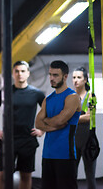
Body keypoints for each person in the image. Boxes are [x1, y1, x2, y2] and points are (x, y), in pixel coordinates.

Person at [0, 61, 45, 189]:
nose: (20, 74)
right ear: (13, 74)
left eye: (22, 71)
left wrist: (42, 130)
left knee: (25, 176)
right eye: (17, 71)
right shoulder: (5, 92)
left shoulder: (37, 93)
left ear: (28, 73)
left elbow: (49, 112)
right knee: (4, 175)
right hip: (8, 140)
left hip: (27, 140)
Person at [35, 60, 81, 189]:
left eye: (55, 75)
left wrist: (47, 121)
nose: (51, 78)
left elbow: (60, 121)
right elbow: (37, 123)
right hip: (48, 154)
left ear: (65, 77)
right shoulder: (48, 99)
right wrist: (52, 125)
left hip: (65, 155)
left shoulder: (72, 97)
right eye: (50, 74)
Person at [72, 67, 97, 189]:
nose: (76, 80)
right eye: (74, 77)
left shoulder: (91, 95)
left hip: (88, 141)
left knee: (90, 176)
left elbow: (89, 117)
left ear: (85, 80)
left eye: (79, 77)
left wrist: (72, 118)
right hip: (73, 141)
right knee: (71, 176)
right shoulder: (69, 97)